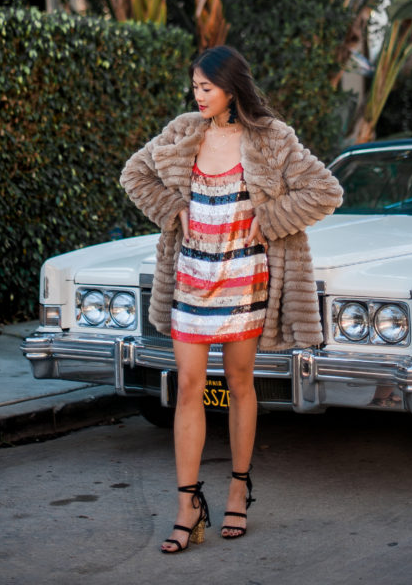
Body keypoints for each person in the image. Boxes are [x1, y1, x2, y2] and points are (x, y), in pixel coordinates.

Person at [120, 45, 343, 553]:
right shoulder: (183, 131)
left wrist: (271, 220)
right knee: (188, 387)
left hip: (246, 280)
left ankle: (239, 489)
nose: (197, 96)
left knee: (241, 383)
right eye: (194, 87)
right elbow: (134, 174)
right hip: (192, 279)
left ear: (231, 87)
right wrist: (172, 207)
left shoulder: (270, 137)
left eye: (206, 87)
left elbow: (324, 190)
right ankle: (187, 505)